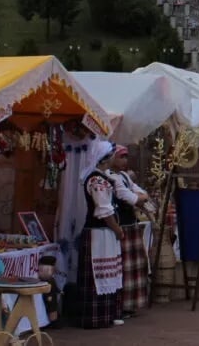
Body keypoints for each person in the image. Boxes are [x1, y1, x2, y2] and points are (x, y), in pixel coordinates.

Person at [76, 140, 124, 329]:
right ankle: (95, 317)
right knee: (98, 274)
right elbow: (104, 210)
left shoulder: (101, 178)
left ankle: (106, 314)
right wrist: (117, 229)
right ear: (106, 158)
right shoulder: (97, 180)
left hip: (103, 234)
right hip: (98, 234)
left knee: (106, 273)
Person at [110, 145, 152, 316]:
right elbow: (128, 197)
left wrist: (140, 197)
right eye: (121, 157)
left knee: (134, 266)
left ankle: (131, 303)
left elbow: (140, 193)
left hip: (131, 224)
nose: (125, 160)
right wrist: (139, 198)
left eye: (126, 157)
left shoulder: (124, 176)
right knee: (124, 267)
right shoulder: (111, 177)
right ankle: (121, 305)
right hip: (121, 225)